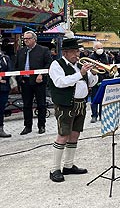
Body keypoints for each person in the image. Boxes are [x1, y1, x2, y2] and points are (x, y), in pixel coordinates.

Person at [48, 38, 98, 182]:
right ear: (65, 52)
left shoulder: (78, 65)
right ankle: (54, 169)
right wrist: (81, 73)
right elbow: (60, 83)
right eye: (74, 51)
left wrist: (93, 74)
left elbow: (91, 83)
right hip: (65, 104)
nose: (77, 54)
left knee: (75, 134)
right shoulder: (56, 65)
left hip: (80, 104)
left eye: (78, 51)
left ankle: (68, 166)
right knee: (63, 135)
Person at [15, 31, 53, 135]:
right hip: (25, 82)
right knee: (27, 105)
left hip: (39, 82)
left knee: (41, 104)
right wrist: (20, 78)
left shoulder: (43, 50)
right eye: (24, 39)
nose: (25, 40)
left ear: (34, 39)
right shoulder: (21, 51)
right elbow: (17, 66)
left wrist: (41, 74)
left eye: (28, 38)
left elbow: (49, 63)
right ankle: (27, 126)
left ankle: (41, 125)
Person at [88, 41, 112, 123]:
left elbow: (108, 67)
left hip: (103, 79)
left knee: (103, 99)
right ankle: (94, 115)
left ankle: (102, 115)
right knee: (94, 99)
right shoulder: (91, 57)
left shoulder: (105, 56)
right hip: (94, 81)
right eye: (98, 48)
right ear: (94, 49)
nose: (100, 50)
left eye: (101, 48)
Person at [0, 48, 13, 138]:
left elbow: (10, 70)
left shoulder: (5, 57)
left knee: (1, 109)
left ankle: (1, 128)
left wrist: (3, 79)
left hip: (3, 88)